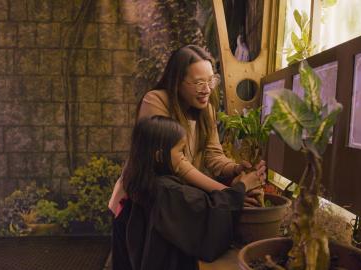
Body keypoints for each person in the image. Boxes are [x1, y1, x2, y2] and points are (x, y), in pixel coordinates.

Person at [109, 45, 266, 215]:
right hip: (143, 203)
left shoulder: (206, 109)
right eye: (199, 83)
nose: (207, 90)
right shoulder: (155, 101)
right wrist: (230, 194)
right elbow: (176, 162)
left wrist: (234, 169)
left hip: (175, 201)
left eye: (211, 81)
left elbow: (213, 155)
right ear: (177, 82)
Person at [112, 116, 263, 270]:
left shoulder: (142, 182)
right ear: (159, 156)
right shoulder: (167, 191)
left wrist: (234, 187)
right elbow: (209, 211)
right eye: (180, 151)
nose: (183, 158)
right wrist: (242, 186)